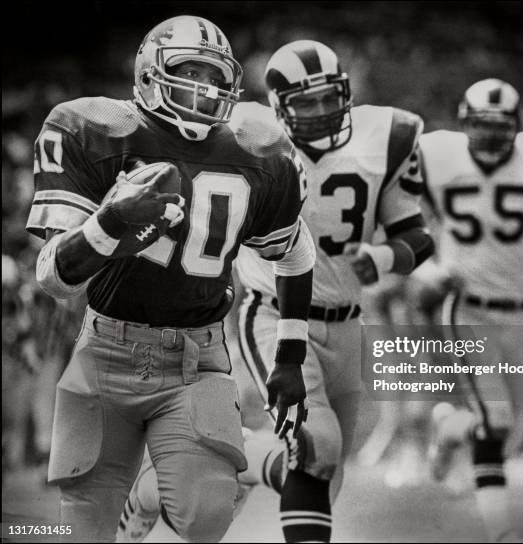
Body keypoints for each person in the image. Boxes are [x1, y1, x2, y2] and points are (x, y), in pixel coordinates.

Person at [26, 15, 315, 543]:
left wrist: (290, 354)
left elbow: (295, 254)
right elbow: (53, 278)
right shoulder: (91, 128)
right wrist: (111, 221)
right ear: (148, 74)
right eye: (190, 71)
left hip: (197, 358)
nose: (205, 88)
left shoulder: (259, 151)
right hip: (107, 349)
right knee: (82, 530)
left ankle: (147, 495)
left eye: (215, 76)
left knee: (206, 516)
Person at [234, 40, 433, 543]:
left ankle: (235, 455)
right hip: (273, 313)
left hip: (348, 323)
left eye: (330, 97)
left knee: (330, 462)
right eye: (306, 102)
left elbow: (416, 234)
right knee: (318, 446)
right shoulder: (246, 136)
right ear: (279, 107)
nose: (322, 111)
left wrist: (384, 257)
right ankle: (239, 454)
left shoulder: (389, 135)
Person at [418, 78, 523, 542]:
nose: (490, 136)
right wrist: (428, 270)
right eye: (480, 125)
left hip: (522, 313)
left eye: (499, 126)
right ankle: (501, 533)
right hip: (467, 309)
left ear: (517, 127)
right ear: (463, 123)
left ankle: (450, 426)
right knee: (496, 422)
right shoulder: (434, 156)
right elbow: (401, 219)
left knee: (514, 436)